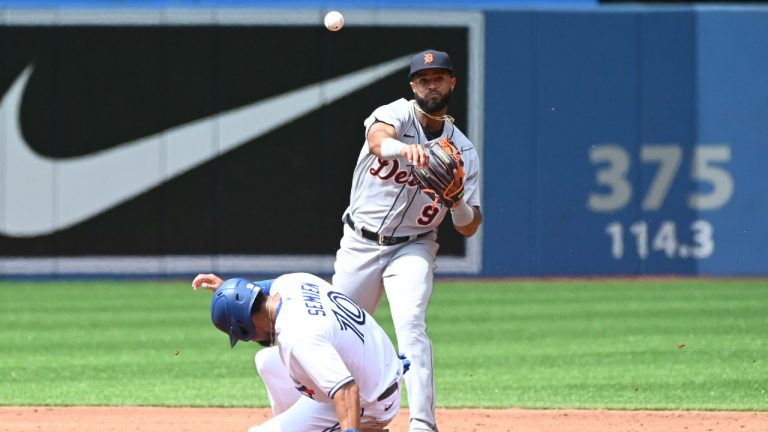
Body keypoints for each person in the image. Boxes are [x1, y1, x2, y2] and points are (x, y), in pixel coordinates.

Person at [332, 49, 482, 432]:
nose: (432, 84)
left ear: (452, 82)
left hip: (413, 245)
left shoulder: (463, 151)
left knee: (411, 323)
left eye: (439, 77)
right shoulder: (396, 113)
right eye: (424, 79)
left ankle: (421, 423)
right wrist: (407, 150)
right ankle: (332, 417)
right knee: (338, 333)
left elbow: (469, 226)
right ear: (413, 86)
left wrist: (457, 201)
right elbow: (378, 138)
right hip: (359, 243)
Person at [193, 272, 408, 432]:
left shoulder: (298, 336)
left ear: (245, 327)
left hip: (370, 400)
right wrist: (229, 291)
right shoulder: (292, 283)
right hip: (378, 365)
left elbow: (347, 391)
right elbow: (256, 291)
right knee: (267, 362)